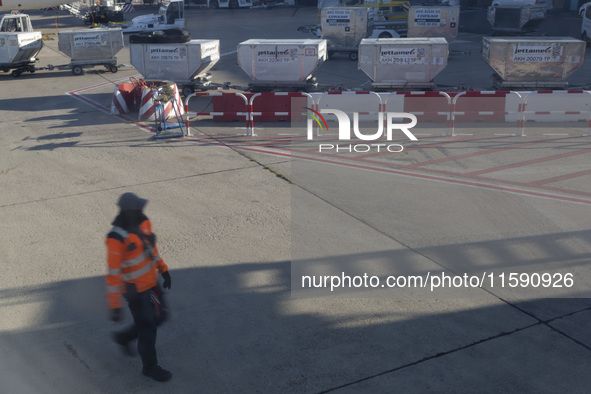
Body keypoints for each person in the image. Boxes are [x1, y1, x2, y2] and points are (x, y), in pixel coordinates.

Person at [105, 192, 173, 382]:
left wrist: (163, 270)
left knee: (159, 318)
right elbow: (113, 274)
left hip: (152, 285)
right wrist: (114, 304)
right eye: (138, 209)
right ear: (129, 212)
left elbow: (152, 250)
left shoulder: (143, 223)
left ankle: (125, 337)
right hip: (136, 293)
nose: (142, 211)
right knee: (148, 328)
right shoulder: (116, 238)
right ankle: (150, 367)